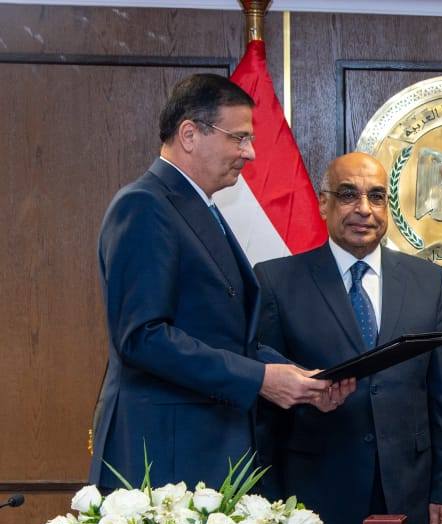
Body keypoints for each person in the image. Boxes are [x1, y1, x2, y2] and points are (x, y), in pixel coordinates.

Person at [90, 74, 353, 490]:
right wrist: (260, 379)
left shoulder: (198, 207)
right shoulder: (144, 205)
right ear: (189, 134)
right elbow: (142, 337)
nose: (250, 153)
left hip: (206, 450)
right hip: (163, 459)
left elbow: (225, 336)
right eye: (239, 138)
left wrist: (300, 379)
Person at [254, 152, 442, 524]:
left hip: (408, 489)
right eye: (348, 195)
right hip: (313, 492)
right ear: (323, 203)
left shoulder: (428, 281)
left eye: (376, 196)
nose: (364, 209)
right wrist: (267, 499)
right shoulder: (276, 282)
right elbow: (266, 406)